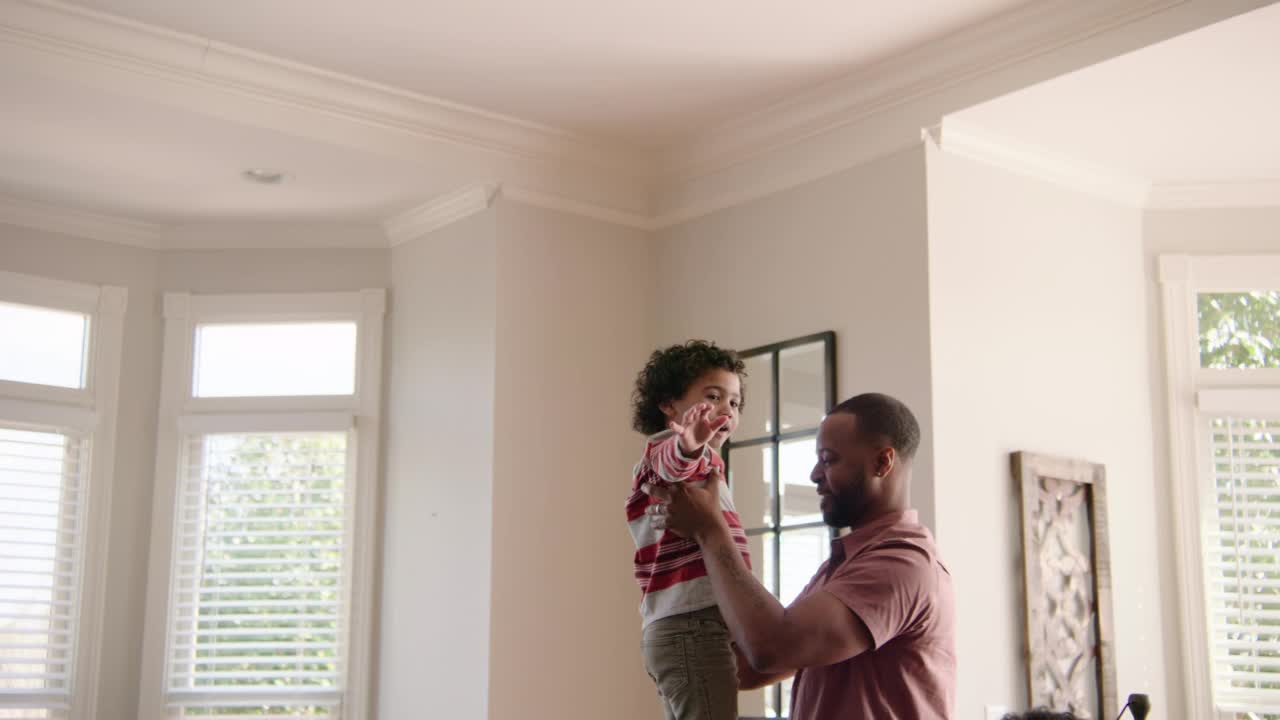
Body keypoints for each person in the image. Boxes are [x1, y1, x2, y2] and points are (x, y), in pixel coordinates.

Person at [646, 392, 956, 719]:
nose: (814, 474)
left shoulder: (902, 565)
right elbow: (750, 668)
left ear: (882, 462)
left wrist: (710, 530)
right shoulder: (843, 567)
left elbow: (771, 649)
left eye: (829, 459)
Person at [625, 341, 753, 720]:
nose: (726, 410)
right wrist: (690, 442)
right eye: (713, 396)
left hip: (692, 624)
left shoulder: (709, 464)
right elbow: (671, 465)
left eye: (734, 402)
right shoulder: (666, 451)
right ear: (668, 405)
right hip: (690, 624)